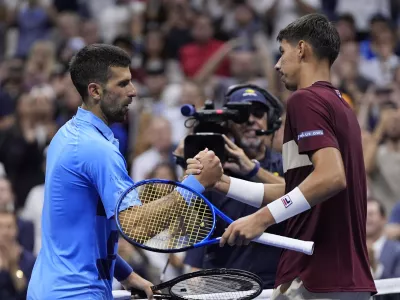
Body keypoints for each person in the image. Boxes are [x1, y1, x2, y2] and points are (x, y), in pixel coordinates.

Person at [186, 14, 377, 299]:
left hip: (320, 279)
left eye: (282, 52)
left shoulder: (305, 100)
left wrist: (260, 219)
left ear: (301, 49)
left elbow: (331, 177)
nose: (277, 64)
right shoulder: (340, 105)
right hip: (342, 280)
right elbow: (301, 191)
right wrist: (223, 183)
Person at [27, 44, 222, 300]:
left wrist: (126, 274)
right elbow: (135, 227)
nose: (133, 91)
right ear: (95, 91)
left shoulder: (65, 135)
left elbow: (79, 232)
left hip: (51, 289)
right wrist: (194, 185)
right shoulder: (96, 149)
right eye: (123, 84)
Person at [183, 85, 285, 289]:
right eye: (240, 115)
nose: (250, 120)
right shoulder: (212, 171)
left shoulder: (285, 165)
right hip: (226, 289)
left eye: (258, 113)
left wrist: (253, 170)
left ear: (270, 120)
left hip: (278, 288)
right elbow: (196, 238)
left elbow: (299, 195)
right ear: (229, 124)